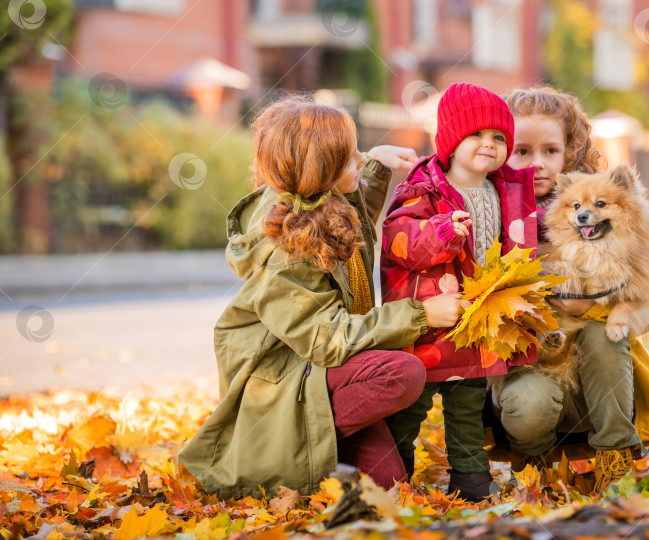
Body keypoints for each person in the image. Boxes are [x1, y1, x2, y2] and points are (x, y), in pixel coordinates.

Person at [178, 97, 470, 499]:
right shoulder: (286, 249)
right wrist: (420, 314)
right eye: (350, 158)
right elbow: (325, 340)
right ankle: (290, 443)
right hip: (288, 376)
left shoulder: (318, 203)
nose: (360, 161)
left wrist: (378, 164)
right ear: (321, 172)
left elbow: (356, 221)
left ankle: (324, 449)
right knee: (403, 373)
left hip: (320, 370)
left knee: (387, 487)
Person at [488, 86, 649, 493]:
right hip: (531, 367)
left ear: (570, 153)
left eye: (550, 152)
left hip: (601, 378)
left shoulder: (605, 218)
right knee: (529, 407)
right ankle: (536, 466)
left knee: (603, 335)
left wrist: (586, 309)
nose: (537, 164)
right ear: (501, 151)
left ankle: (616, 458)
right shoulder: (489, 213)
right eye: (522, 151)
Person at [380, 83, 539, 501]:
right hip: (431, 324)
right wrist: (441, 232)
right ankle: (391, 475)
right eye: (476, 135)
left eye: (499, 138)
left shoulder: (505, 190)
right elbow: (398, 240)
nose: (489, 144)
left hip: (477, 322)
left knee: (466, 404)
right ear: (451, 140)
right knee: (410, 405)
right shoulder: (424, 190)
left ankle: (471, 477)